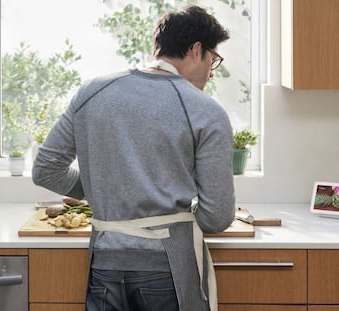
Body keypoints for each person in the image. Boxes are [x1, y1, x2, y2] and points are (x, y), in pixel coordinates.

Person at [32, 5, 235, 311]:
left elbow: (47, 170)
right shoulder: (205, 110)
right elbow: (217, 216)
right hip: (169, 267)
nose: (211, 70)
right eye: (213, 60)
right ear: (196, 50)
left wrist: (109, 189)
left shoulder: (93, 91)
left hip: (105, 262)